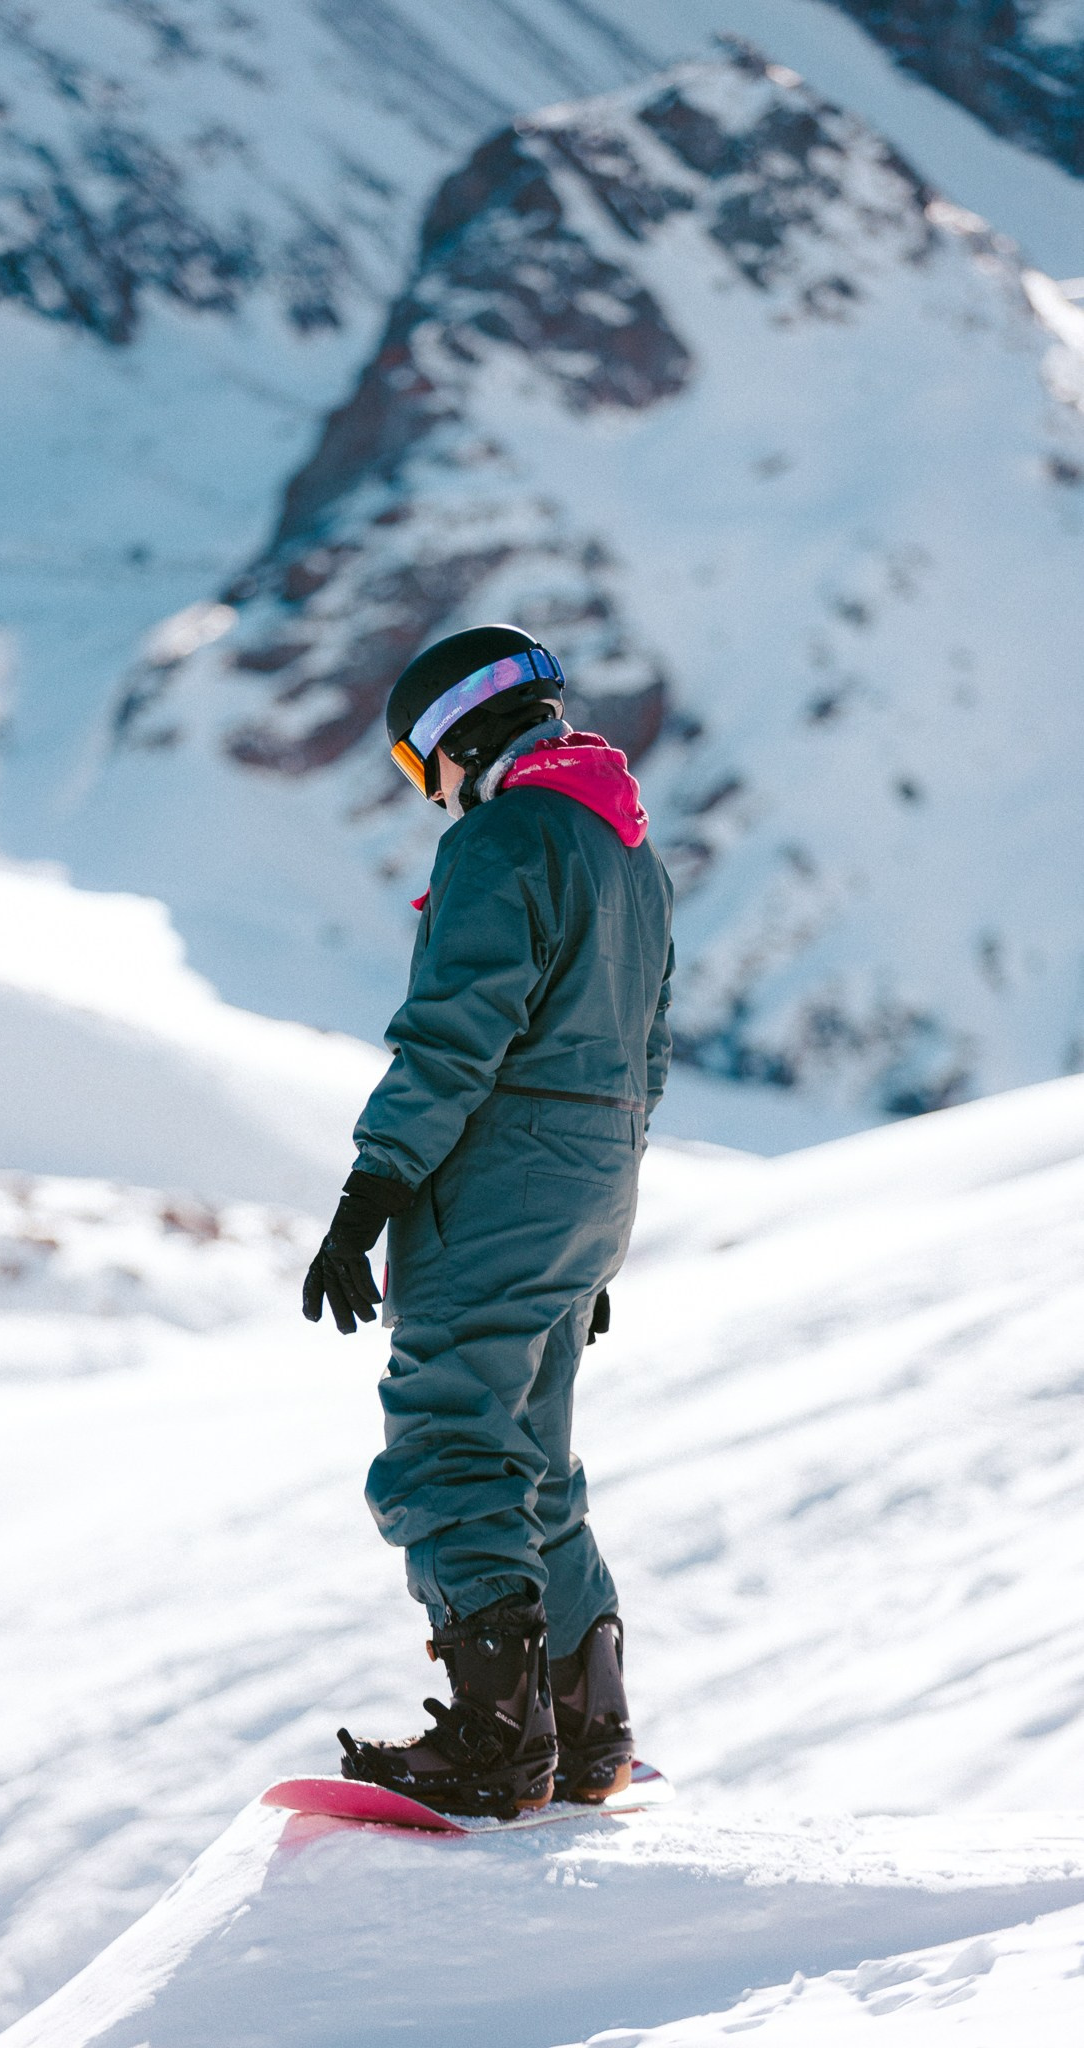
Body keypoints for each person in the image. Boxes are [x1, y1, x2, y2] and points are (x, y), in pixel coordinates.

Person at [303, 624, 674, 1819]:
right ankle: (586, 1726)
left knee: (450, 1435)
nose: (433, 795)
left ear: (458, 738)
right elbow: (645, 1049)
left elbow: (454, 1033)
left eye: (422, 768)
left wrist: (371, 1190)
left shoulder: (504, 837)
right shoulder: (628, 853)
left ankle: (496, 1739)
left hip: (500, 1176)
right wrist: (589, 1234)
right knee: (534, 1454)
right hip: (589, 1187)